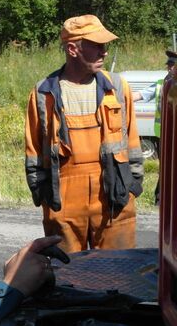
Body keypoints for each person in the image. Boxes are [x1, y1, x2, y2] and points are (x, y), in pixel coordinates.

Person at [25, 15, 143, 253]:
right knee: (68, 279)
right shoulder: (43, 93)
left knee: (117, 275)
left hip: (113, 198)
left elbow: (132, 141)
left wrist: (133, 185)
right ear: (72, 49)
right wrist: (43, 194)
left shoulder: (118, 87)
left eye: (105, 46)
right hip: (64, 202)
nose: (104, 52)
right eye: (97, 45)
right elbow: (34, 152)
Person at [152, 50, 177, 205]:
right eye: (168, 65)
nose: (169, 68)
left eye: (172, 65)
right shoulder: (163, 83)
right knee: (165, 168)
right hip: (164, 134)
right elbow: (145, 93)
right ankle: (160, 197)